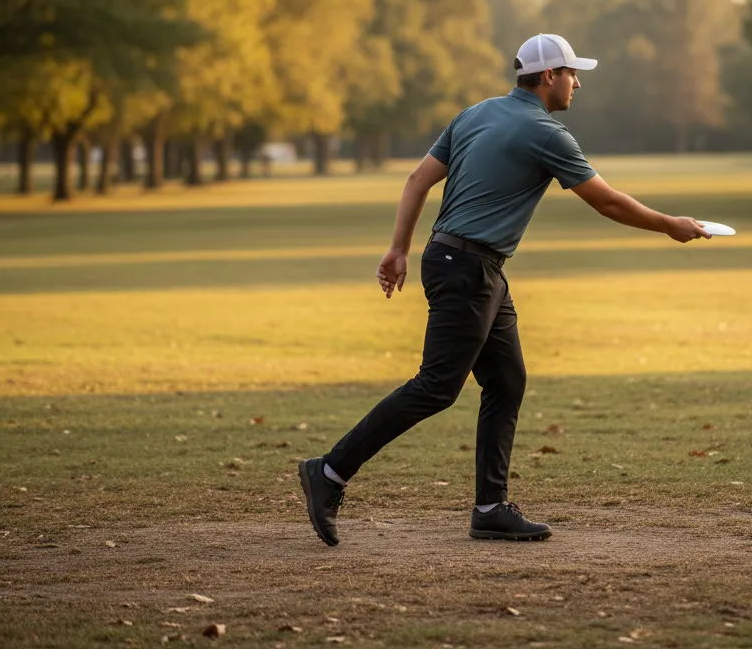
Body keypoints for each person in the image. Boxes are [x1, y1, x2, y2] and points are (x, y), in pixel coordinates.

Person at [299, 33, 711, 546]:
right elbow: (607, 202)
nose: (577, 84)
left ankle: (490, 508)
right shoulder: (547, 133)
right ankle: (330, 472)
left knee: (506, 380)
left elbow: (417, 179)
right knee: (436, 386)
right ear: (549, 76)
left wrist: (399, 249)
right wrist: (670, 224)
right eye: (572, 74)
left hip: (464, 263)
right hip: (468, 269)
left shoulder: (475, 114)